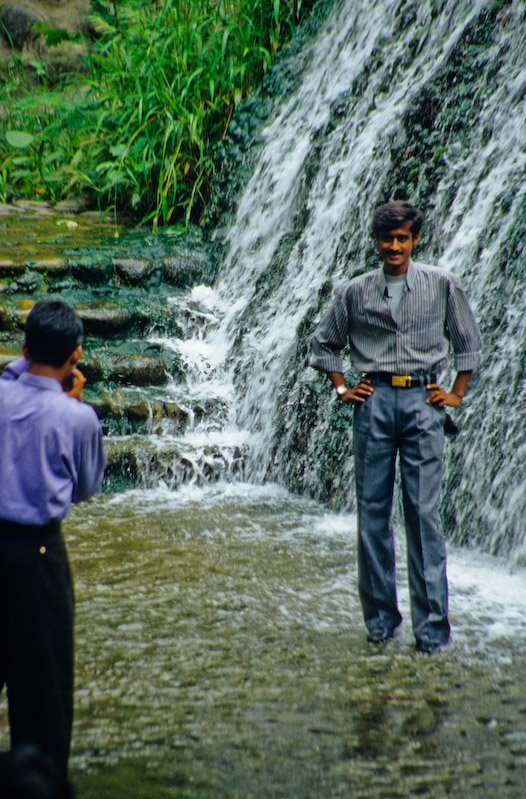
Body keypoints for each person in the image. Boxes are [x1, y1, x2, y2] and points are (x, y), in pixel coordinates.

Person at [310, 201, 482, 654]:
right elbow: (324, 343)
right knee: (372, 517)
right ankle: (381, 623)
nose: (394, 246)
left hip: (425, 402)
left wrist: (457, 394)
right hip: (375, 403)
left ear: (414, 240)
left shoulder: (442, 285)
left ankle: (431, 631)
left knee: (423, 516)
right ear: (376, 241)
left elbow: (468, 343)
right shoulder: (354, 292)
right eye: (387, 238)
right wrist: (342, 388)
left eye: (402, 238)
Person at [0, 300, 107, 791]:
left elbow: (12, 370)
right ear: (76, 356)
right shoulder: (76, 418)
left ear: (24, 348)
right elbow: (85, 489)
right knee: (42, 689)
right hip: (38, 556)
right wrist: (75, 400)